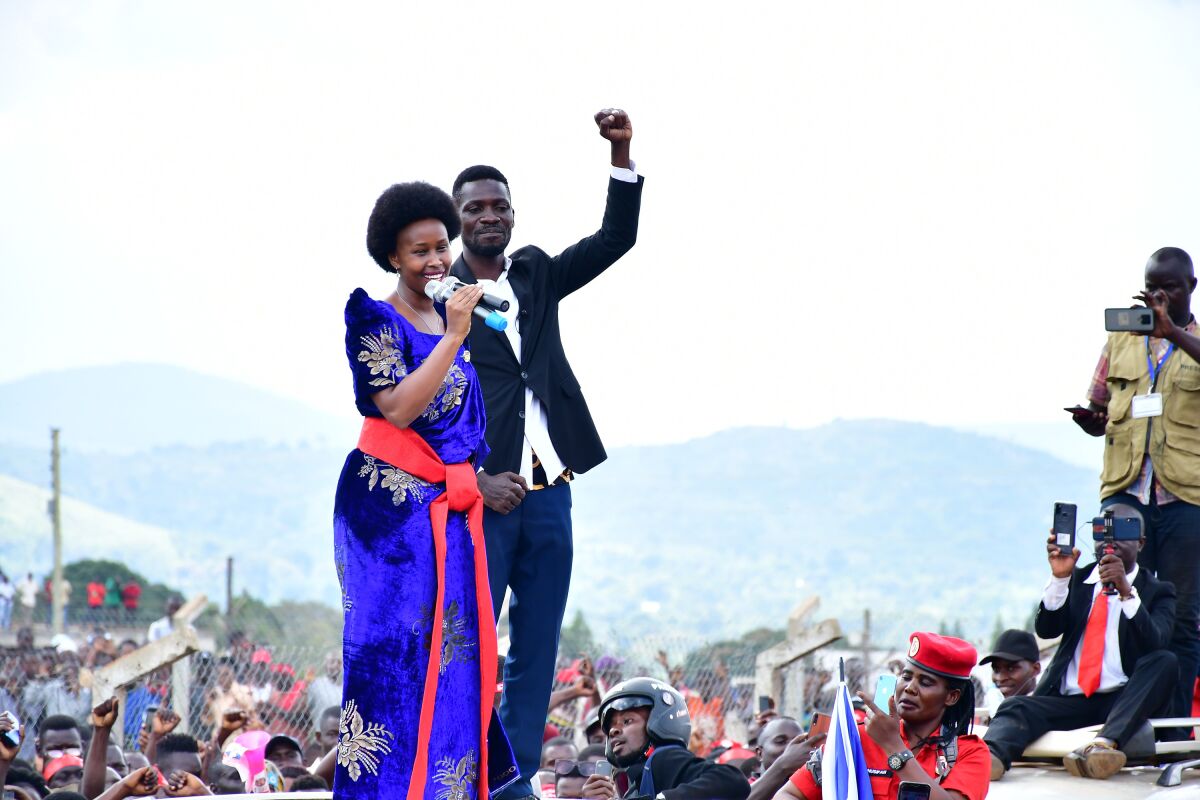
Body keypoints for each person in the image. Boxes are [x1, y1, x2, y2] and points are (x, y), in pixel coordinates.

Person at [451, 107, 643, 800]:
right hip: (484, 500)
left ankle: (513, 781)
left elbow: (616, 238)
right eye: (475, 207)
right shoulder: (441, 302)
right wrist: (473, 480)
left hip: (551, 493)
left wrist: (621, 154)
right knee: (471, 650)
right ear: (457, 222)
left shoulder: (536, 277)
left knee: (537, 650)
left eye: (500, 204)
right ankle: (462, 772)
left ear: (512, 215)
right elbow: (419, 411)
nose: (489, 214)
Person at [332, 181, 516, 798]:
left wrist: (479, 483)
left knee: (455, 654)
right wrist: (456, 337)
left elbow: (457, 433)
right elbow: (402, 408)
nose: (436, 261)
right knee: (395, 656)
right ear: (392, 258)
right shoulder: (373, 316)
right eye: (419, 252)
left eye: (442, 246)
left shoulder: (447, 314)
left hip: (447, 511)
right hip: (388, 513)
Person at [1070, 246, 1200, 726]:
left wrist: (1173, 335)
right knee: (1121, 602)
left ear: (1191, 287)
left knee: (1183, 616)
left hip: (1187, 496)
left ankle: (1172, 730)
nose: (1160, 294)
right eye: (1153, 286)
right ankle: (1122, 720)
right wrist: (1092, 420)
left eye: (1170, 286)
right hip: (1125, 490)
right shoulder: (1121, 340)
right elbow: (1100, 403)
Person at [985, 507, 1178, 781]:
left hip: (1121, 703)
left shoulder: (1158, 591)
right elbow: (1047, 629)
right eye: (1101, 531)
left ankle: (1102, 747)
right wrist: (1060, 578)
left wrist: (1126, 592)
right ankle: (988, 760)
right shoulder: (1078, 581)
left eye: (1122, 532)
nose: (1109, 542)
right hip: (1070, 701)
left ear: (1141, 543)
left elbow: (1156, 641)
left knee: (1165, 661)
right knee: (1015, 707)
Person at [779, 632, 990, 800]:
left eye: (925, 682)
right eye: (906, 677)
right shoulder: (857, 738)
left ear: (951, 697)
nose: (909, 688)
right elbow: (788, 794)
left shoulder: (969, 752)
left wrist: (893, 746)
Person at [581, 677, 748, 800]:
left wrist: (665, 798)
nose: (614, 731)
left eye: (627, 721)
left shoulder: (663, 757)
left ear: (660, 721)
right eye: (611, 726)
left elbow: (733, 780)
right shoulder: (634, 775)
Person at [745, 717, 821, 800]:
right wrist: (783, 765)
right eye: (780, 741)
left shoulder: (815, 783)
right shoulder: (742, 788)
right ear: (759, 753)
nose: (793, 748)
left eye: (800, 741)